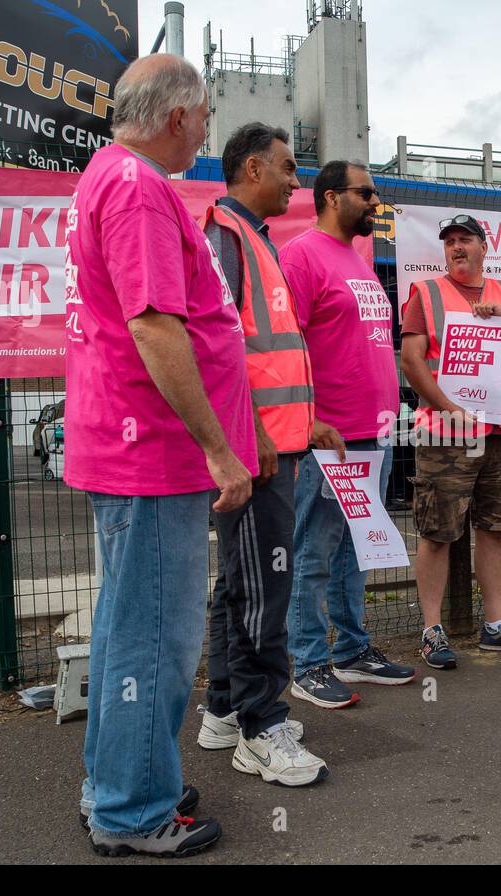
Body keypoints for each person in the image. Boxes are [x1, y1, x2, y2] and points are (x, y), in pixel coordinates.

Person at [64, 53, 254, 857]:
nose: (207, 129)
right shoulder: (140, 188)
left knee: (125, 626)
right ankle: (133, 809)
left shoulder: (108, 176)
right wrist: (218, 448)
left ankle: (120, 777)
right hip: (155, 451)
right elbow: (152, 325)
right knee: (156, 636)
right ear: (177, 117)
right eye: (205, 115)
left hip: (129, 444)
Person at [194, 122, 328, 784]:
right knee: (262, 591)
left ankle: (226, 710)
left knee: (241, 584)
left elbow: (268, 350)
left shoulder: (255, 240)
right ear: (253, 170)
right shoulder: (227, 237)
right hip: (259, 452)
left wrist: (306, 423)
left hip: (273, 445)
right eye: (286, 168)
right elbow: (214, 348)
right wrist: (255, 433)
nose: (296, 181)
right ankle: (260, 726)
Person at [279, 161, 416, 706]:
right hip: (329, 439)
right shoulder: (301, 256)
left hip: (373, 435)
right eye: (367, 193)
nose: (375, 203)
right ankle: (308, 662)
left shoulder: (357, 260)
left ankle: (352, 651)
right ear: (332, 198)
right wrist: (307, 420)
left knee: (355, 550)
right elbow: (285, 345)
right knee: (312, 552)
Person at [399, 214, 501, 668]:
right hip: (446, 434)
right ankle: (432, 630)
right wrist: (449, 407)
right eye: (449, 241)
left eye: (465, 239)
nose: (456, 247)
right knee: (437, 532)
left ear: (484, 247)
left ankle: (496, 625)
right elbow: (411, 361)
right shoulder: (426, 293)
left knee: (494, 529)